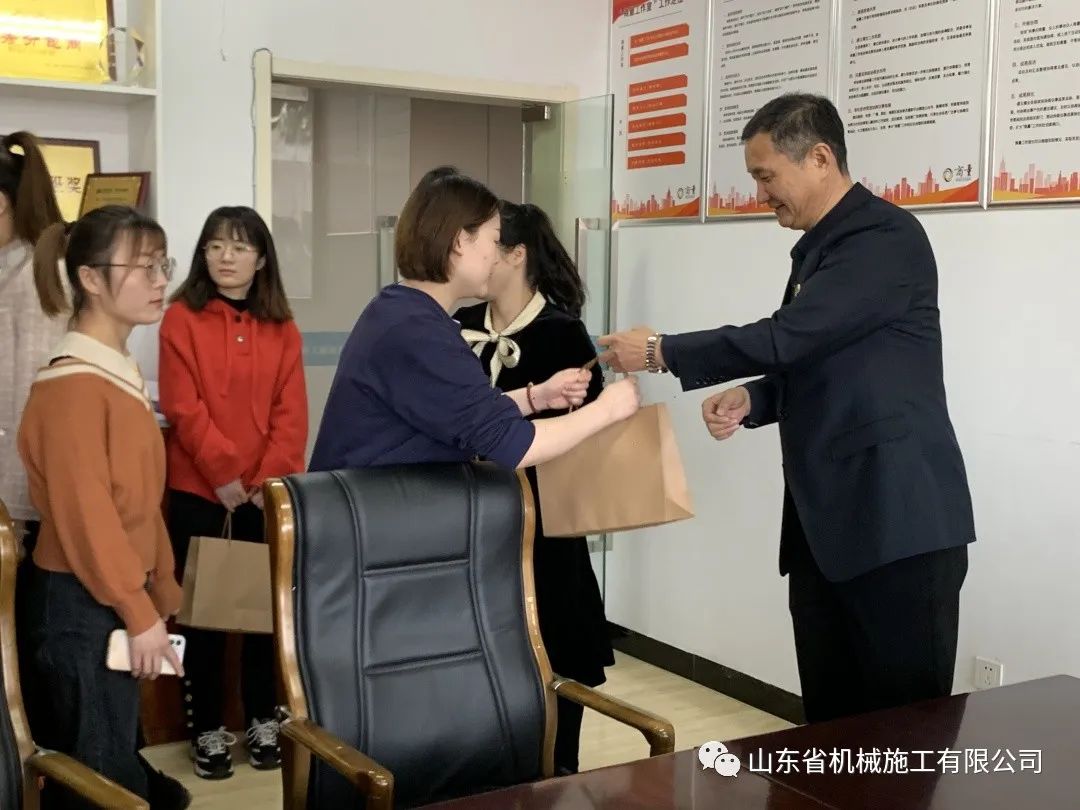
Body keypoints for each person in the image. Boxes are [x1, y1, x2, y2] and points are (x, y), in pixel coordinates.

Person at [599, 93, 975, 724]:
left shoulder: (883, 239)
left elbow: (788, 337)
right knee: (829, 728)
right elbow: (820, 358)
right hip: (827, 531)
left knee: (902, 738)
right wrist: (756, 397)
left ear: (820, 158)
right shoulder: (822, 247)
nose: (760, 194)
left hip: (896, 525)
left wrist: (661, 351)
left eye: (766, 176)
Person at [18, 205, 189, 808]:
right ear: (90, 278)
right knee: (100, 784)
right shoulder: (73, 384)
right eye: (143, 268)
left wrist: (158, 592)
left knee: (117, 764)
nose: (160, 280)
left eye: (163, 265)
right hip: (78, 603)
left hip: (108, 596)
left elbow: (137, 501)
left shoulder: (113, 372)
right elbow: (88, 517)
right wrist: (138, 610)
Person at [309, 170, 640, 473]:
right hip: (371, 515)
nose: (495, 257)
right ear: (459, 241)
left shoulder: (401, 312)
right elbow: (512, 444)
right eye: (493, 240)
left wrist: (537, 397)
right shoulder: (419, 332)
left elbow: (467, 412)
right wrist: (607, 409)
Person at [457, 201, 614, 774]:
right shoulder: (458, 323)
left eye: (485, 243)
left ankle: (557, 773)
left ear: (516, 253)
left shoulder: (562, 331)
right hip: (469, 521)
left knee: (553, 654)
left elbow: (590, 431)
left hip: (544, 525)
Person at [159, 206, 307, 779]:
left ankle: (264, 721)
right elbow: (183, 405)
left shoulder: (282, 327)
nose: (226, 257)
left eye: (240, 247)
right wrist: (221, 474)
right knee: (203, 618)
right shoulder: (180, 318)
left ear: (261, 259)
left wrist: (263, 481)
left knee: (263, 614)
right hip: (200, 492)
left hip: (262, 495)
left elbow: (291, 413)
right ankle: (207, 730)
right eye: (216, 245)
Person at [0, 130, 67, 751]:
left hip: (20, 497)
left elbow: (29, 397)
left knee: (24, 645)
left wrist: (18, 505)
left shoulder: (36, 271)